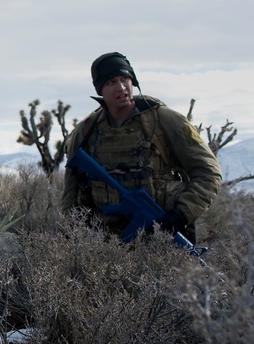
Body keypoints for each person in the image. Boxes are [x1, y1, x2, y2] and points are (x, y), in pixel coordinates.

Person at [62, 52, 221, 243]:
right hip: (105, 240)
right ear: (100, 89)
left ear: (133, 81)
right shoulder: (86, 131)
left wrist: (181, 214)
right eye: (111, 82)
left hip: (165, 233)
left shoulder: (166, 120)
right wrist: (70, 230)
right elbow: (71, 187)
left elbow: (208, 172)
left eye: (125, 79)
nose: (121, 87)